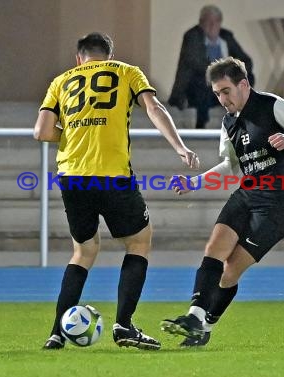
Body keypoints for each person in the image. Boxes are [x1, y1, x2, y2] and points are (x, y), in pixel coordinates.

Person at [33, 32, 199, 351]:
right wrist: (179, 146)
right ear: (108, 56)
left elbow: (41, 131)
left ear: (78, 57)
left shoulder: (61, 81)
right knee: (139, 241)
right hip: (112, 174)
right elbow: (153, 107)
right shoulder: (125, 71)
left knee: (83, 251)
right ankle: (124, 324)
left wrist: (75, 138)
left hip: (72, 176)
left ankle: (56, 332)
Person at [160, 57, 284, 347]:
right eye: (217, 94)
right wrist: (194, 182)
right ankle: (194, 316)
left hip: (282, 201)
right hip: (249, 191)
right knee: (214, 249)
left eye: (226, 91)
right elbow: (230, 165)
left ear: (243, 85)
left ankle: (206, 325)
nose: (222, 99)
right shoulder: (228, 123)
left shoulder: (272, 105)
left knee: (230, 271)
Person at [168, 5, 255, 129]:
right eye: (208, 22)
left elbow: (246, 60)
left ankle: (244, 118)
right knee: (203, 83)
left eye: (216, 22)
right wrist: (222, 74)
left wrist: (236, 73)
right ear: (201, 23)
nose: (212, 26)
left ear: (220, 23)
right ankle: (201, 125)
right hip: (200, 86)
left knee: (248, 78)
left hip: (226, 82)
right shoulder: (192, 36)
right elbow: (196, 64)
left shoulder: (226, 37)